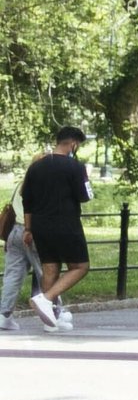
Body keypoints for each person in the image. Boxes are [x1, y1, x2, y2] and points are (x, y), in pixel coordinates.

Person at [15, 127, 93, 330]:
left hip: (40, 225)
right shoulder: (75, 166)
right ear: (73, 144)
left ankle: (50, 321)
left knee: (50, 267)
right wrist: (86, 177)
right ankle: (46, 299)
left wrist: (28, 229)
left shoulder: (36, 167)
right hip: (66, 224)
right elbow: (85, 197)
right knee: (80, 266)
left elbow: (27, 201)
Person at [0, 202, 33, 328]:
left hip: (14, 231)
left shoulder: (20, 186)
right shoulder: (38, 184)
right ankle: (55, 313)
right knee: (46, 272)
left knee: (12, 275)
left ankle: (4, 315)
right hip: (33, 232)